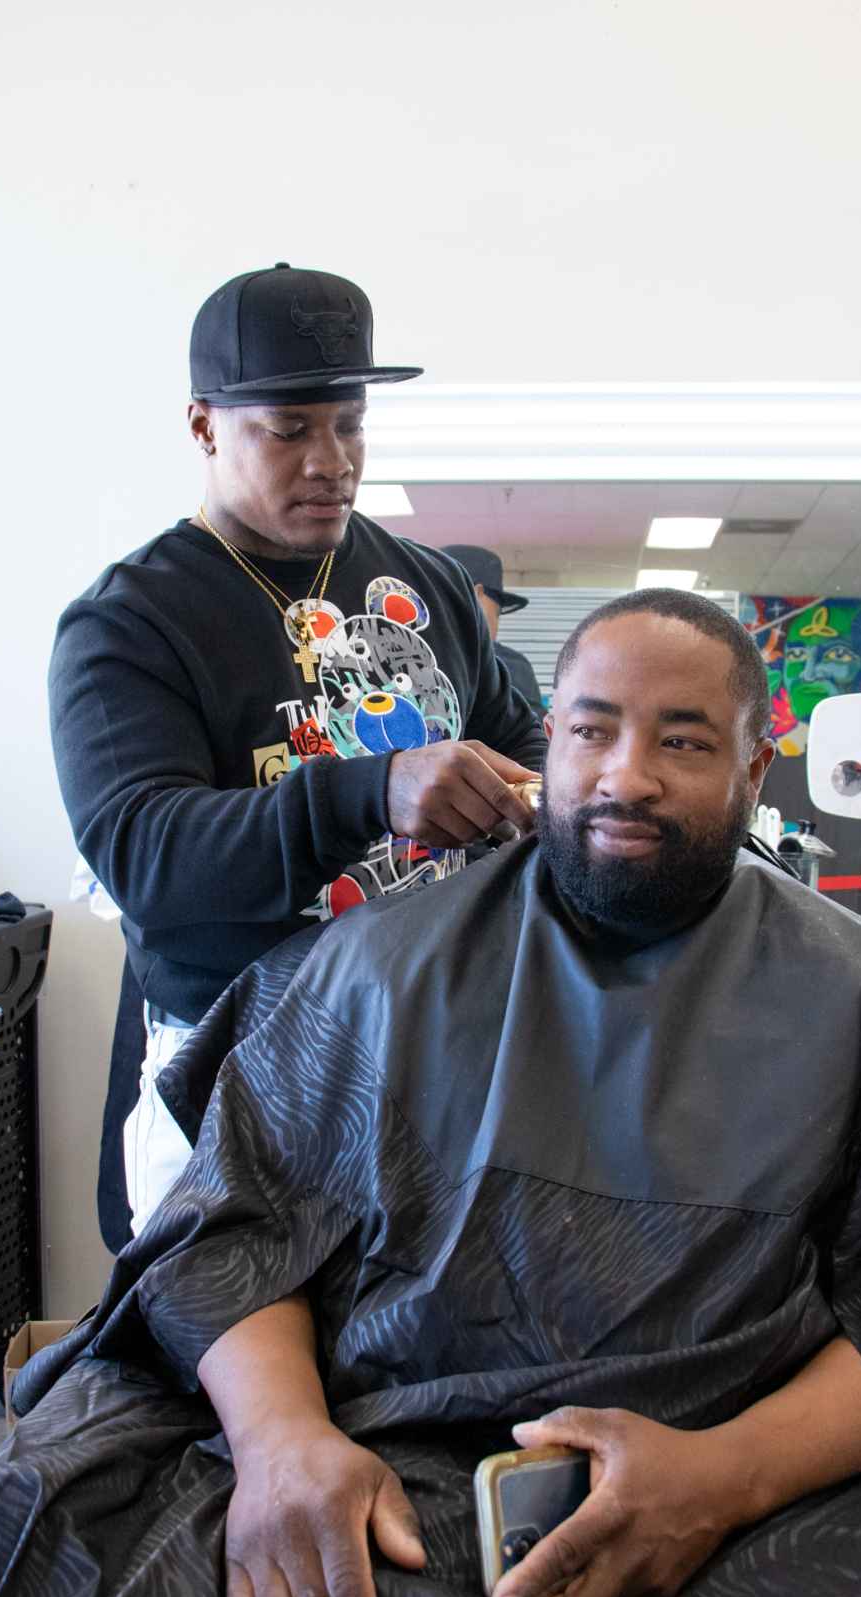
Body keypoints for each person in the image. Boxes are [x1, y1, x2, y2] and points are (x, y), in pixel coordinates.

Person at [0, 589, 861, 1597]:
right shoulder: (375, 971)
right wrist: (280, 1447)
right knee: (66, 1571)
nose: (627, 777)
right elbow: (227, 1237)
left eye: (683, 742)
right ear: (543, 746)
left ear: (753, 769)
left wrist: (726, 1475)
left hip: (749, 1470)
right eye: (592, 732)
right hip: (380, 1451)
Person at [48, 265, 545, 1244]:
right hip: (237, 1072)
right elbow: (144, 856)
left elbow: (518, 747)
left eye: (348, 424)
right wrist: (371, 791)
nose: (330, 462)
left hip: (431, 1060)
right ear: (203, 426)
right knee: (222, 1386)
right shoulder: (130, 621)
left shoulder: (428, 584)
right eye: (288, 431)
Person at [442, 543, 543, 710]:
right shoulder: (508, 664)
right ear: (475, 595)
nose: (497, 626)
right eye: (496, 613)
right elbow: (533, 732)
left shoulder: (409, 656)